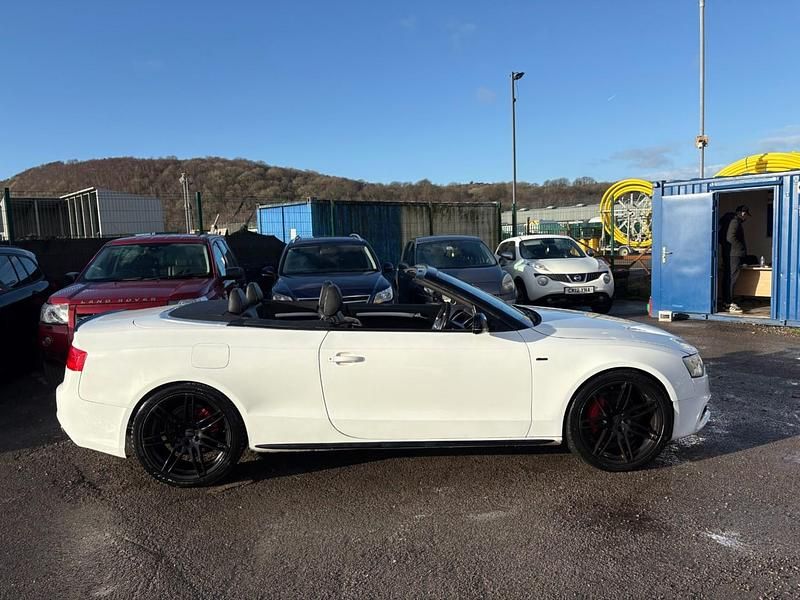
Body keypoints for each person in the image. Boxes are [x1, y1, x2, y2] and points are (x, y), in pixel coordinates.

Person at [718, 204, 751, 313]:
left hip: (728, 253)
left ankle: (725, 302)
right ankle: (729, 303)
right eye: (746, 215)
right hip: (733, 254)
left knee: (727, 277)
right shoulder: (735, 221)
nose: (746, 218)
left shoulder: (728, 221)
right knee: (732, 278)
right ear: (742, 213)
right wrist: (740, 248)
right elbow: (730, 237)